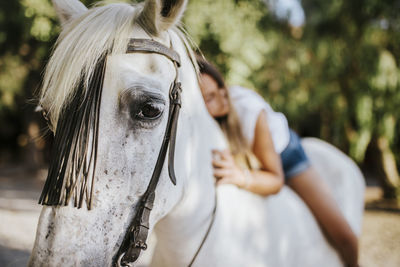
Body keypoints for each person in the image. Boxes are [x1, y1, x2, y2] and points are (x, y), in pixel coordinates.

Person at [197, 57, 359, 267]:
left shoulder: (249, 110)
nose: (222, 97)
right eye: (209, 98)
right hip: (251, 161)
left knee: (343, 235)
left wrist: (240, 176)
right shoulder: (202, 121)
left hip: (286, 156)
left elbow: (275, 180)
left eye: (220, 87)